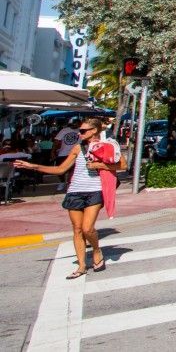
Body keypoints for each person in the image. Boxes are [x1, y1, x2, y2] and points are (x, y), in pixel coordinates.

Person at [14, 118, 119, 278]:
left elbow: (121, 165)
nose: (79, 133)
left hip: (95, 191)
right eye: (80, 130)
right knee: (77, 229)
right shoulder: (78, 148)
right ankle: (82, 266)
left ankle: (97, 250)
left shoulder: (107, 146)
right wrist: (33, 166)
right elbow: (60, 169)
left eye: (83, 131)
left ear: (94, 131)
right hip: (75, 191)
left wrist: (100, 165)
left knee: (87, 228)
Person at [52, 119, 81, 192]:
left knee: (73, 170)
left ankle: (69, 184)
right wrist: (53, 151)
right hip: (63, 153)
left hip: (76, 154)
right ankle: (62, 182)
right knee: (61, 169)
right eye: (75, 123)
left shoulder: (81, 131)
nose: (76, 125)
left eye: (78, 124)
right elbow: (56, 141)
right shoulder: (64, 130)